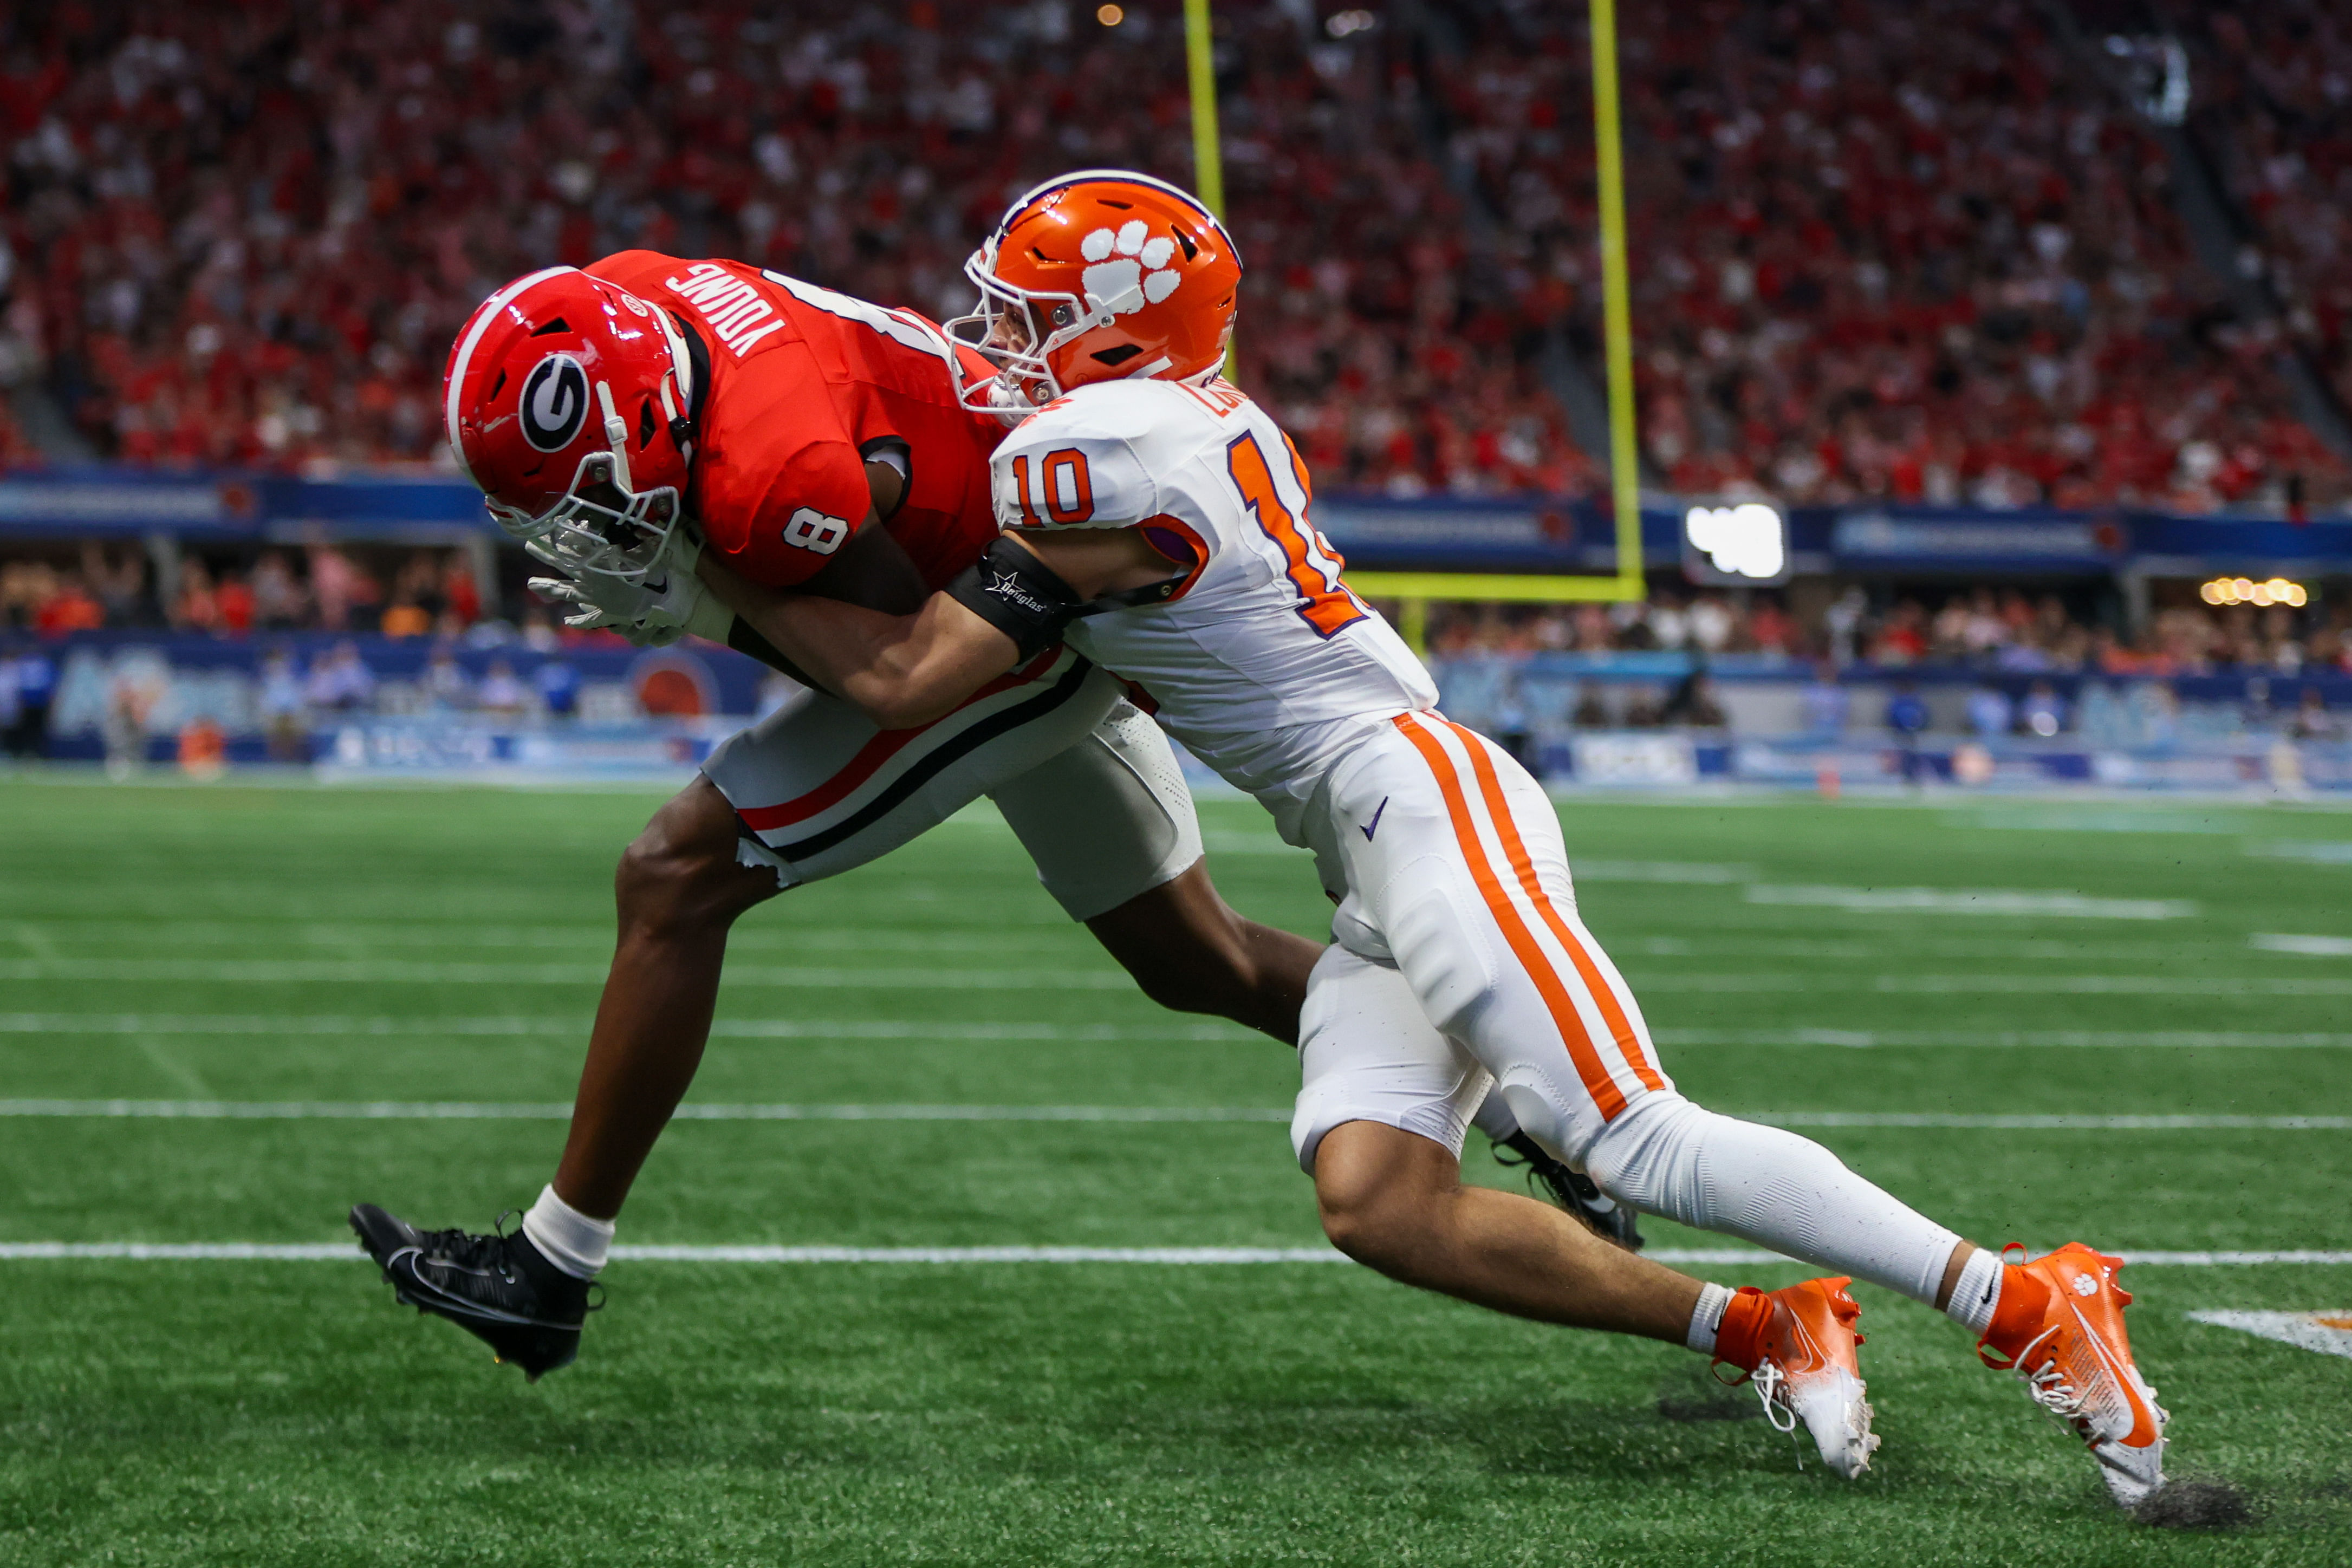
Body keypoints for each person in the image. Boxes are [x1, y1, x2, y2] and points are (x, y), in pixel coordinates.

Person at [670, 171, 2167, 1506]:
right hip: (1369, 836)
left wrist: (702, 571)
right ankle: (1768, 1327)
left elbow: (906, 676)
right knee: (1374, 1200)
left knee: (1622, 1127)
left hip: (1413, 796)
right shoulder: (1157, 423)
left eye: (1028, 316)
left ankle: (2017, 1294)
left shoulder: (1097, 452)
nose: (996, 343)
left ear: (1117, 334)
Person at [352, 246, 1622, 1382]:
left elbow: (889, 669)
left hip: (995, 624)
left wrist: (702, 602)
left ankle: (550, 1266)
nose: (576, 525)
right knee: (1195, 958)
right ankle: (1527, 1088)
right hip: (1008, 575)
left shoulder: (770, 468)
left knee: (677, 873)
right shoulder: (642, 306)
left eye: (584, 490)